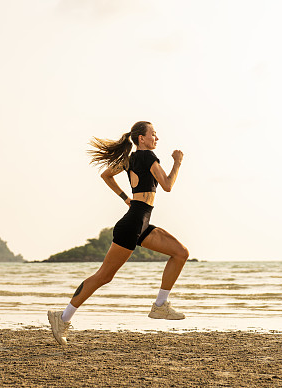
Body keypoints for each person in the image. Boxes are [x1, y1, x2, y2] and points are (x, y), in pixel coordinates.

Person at [47, 121, 189, 346]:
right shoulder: (149, 158)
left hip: (141, 221)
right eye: (153, 134)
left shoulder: (129, 160)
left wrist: (125, 198)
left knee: (181, 253)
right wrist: (178, 162)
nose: (157, 138)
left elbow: (106, 175)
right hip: (133, 223)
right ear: (141, 138)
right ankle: (62, 318)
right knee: (103, 276)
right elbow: (168, 185)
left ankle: (160, 305)